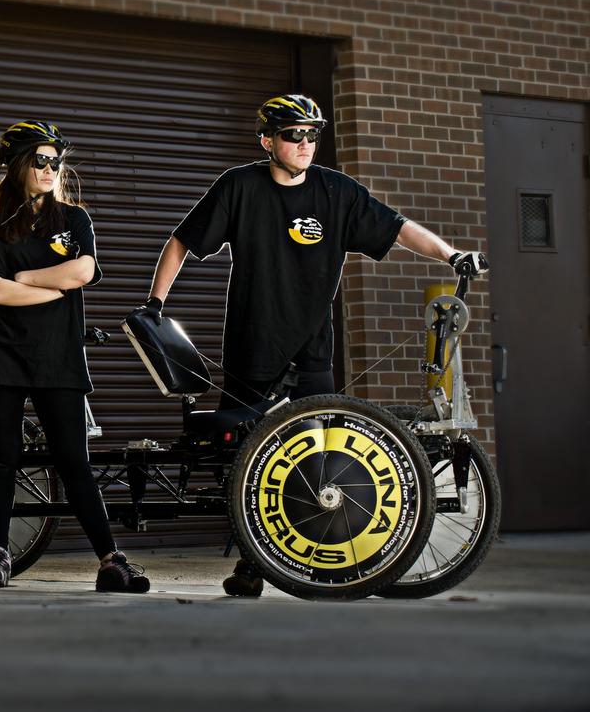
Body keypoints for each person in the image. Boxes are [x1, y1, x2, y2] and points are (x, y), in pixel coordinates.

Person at [142, 94, 486, 597]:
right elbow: (182, 241)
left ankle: (324, 555)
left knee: (319, 458)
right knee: (250, 460)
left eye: (312, 135)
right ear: (267, 141)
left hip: (312, 348)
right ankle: (252, 564)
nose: (304, 144)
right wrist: (155, 303)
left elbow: (398, 228)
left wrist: (451, 254)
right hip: (253, 343)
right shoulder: (239, 187)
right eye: (292, 135)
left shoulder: (335, 191)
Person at [0, 120, 149, 594]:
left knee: (74, 461)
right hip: (4, 355)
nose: (50, 169)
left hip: (59, 355)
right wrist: (53, 286)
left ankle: (111, 561)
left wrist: (25, 278)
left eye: (55, 161)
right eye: (40, 160)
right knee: (3, 459)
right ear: (17, 166)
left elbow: (84, 271)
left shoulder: (74, 220)